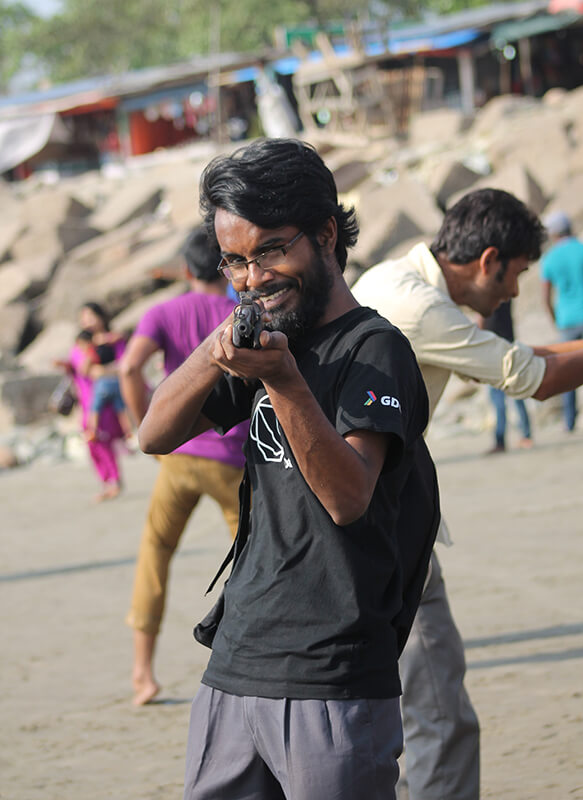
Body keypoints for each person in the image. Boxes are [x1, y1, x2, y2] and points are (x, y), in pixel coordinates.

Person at [137, 139, 440, 800]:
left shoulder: (374, 350)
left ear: (326, 234)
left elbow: (348, 496)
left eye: (271, 250)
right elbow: (153, 433)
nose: (253, 277)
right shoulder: (267, 339)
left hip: (332, 673)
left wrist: (283, 381)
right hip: (235, 662)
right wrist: (219, 349)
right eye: (235, 261)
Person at [352, 187, 583, 800]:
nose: (514, 293)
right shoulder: (425, 308)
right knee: (439, 709)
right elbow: (534, 378)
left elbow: (516, 357)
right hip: (382, 524)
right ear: (488, 261)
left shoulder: (393, 277)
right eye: (516, 276)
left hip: (360, 515)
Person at [119, 226, 249, 707]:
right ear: (223, 266)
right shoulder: (239, 312)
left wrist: (144, 428)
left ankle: (142, 674)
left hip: (179, 457)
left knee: (155, 553)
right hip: (232, 459)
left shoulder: (163, 312)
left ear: (186, 270)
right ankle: (250, 658)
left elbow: (129, 367)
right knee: (252, 559)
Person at [55, 301, 126, 502]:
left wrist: (102, 369)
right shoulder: (81, 344)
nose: (87, 321)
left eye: (91, 316)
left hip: (109, 400)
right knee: (92, 442)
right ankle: (106, 482)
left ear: (101, 317)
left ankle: (114, 481)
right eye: (83, 317)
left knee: (101, 439)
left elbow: (125, 364)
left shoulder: (114, 340)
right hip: (87, 400)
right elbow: (83, 369)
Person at [540, 210, 583, 431]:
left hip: (566, 320)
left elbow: (546, 296)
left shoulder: (549, 258)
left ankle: (569, 421)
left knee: (568, 368)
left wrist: (554, 318)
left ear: (553, 234)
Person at [479, 301, 532, 453]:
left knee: (498, 398)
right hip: (508, 343)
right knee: (516, 393)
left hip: (493, 346)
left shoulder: (488, 294)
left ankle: (501, 440)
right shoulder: (505, 293)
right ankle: (526, 435)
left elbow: (482, 318)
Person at [74, 329, 132, 442]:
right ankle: (129, 432)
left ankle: (93, 431)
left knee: (95, 408)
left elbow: (83, 370)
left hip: (103, 384)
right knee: (121, 409)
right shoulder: (108, 345)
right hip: (117, 381)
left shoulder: (92, 350)